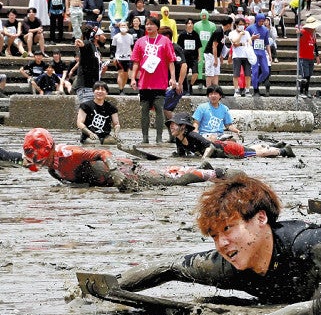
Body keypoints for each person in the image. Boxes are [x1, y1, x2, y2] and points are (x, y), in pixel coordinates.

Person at [102, 173, 321, 304]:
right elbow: (171, 267)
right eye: (214, 235)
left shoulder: (315, 245)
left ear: (261, 219)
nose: (221, 244)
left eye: (229, 229)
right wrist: (106, 288)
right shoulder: (226, 263)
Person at [21, 127, 217, 192]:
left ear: (49, 149)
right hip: (111, 182)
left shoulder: (70, 153)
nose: (39, 164)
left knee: (172, 180)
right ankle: (199, 166)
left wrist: (115, 173)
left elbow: (104, 153)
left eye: (39, 159)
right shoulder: (52, 169)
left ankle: (212, 173)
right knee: (165, 175)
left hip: (124, 171)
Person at [130, 16, 179, 145]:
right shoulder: (140, 41)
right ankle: (145, 138)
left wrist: (173, 78)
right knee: (144, 110)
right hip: (144, 82)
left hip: (160, 82)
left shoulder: (165, 41)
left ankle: (159, 138)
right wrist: (133, 78)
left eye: (151, 24)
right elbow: (135, 62)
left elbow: (171, 61)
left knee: (159, 109)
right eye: (147, 24)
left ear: (157, 26)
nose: (149, 26)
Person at [168, 113, 291, 159]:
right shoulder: (178, 140)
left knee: (257, 154)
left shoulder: (192, 135)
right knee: (252, 150)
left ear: (183, 127)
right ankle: (273, 146)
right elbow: (181, 154)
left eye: (174, 125)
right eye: (171, 125)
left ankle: (283, 151)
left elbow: (210, 146)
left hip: (227, 149)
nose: (171, 127)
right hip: (223, 151)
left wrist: (204, 159)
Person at [247, 12, 271, 96]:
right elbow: (244, 39)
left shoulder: (265, 30)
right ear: (256, 20)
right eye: (260, 21)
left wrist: (270, 55)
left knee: (266, 71)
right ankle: (256, 90)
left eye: (263, 21)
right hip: (253, 52)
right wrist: (251, 38)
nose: (262, 22)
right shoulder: (250, 28)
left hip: (262, 52)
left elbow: (267, 43)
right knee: (255, 71)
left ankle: (256, 82)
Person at [229, 16, 253, 96]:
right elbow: (234, 43)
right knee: (236, 74)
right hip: (237, 56)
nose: (242, 26)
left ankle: (247, 90)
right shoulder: (232, 33)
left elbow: (250, 43)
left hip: (246, 56)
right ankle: (236, 90)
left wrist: (241, 44)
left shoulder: (247, 33)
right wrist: (240, 35)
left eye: (243, 24)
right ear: (236, 25)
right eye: (240, 24)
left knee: (248, 74)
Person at [296, 15, 318, 98]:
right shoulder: (303, 31)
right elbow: (299, 33)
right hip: (303, 57)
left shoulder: (313, 34)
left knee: (309, 75)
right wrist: (298, 32)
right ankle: (301, 91)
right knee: (304, 75)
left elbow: (315, 45)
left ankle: (306, 91)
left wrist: (317, 55)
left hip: (311, 57)